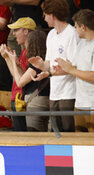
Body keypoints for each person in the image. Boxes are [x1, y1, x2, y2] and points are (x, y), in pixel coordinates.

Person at [29, 0, 79, 132]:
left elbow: (73, 67)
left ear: (52, 15)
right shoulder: (51, 35)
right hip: (54, 92)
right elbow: (49, 64)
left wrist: (51, 72)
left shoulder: (72, 33)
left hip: (69, 92)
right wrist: (41, 65)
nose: (44, 18)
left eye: (45, 15)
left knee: (68, 130)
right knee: (56, 131)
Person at [54, 9, 94, 132]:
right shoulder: (81, 43)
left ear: (83, 27)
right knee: (79, 142)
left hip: (92, 104)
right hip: (80, 103)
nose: (75, 30)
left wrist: (71, 70)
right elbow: (76, 68)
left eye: (76, 27)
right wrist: (62, 69)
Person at [2, 30, 50, 131]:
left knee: (35, 135)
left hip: (37, 103)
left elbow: (19, 82)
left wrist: (11, 61)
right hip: (40, 100)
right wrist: (10, 60)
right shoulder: (42, 60)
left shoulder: (37, 63)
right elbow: (21, 76)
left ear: (32, 43)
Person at [0, 17, 36, 131]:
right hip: (17, 97)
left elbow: (22, 79)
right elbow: (17, 76)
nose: (14, 33)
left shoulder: (32, 51)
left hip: (22, 98)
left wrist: (11, 61)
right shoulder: (25, 50)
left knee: (25, 135)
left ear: (26, 31)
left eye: (16, 30)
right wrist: (7, 58)